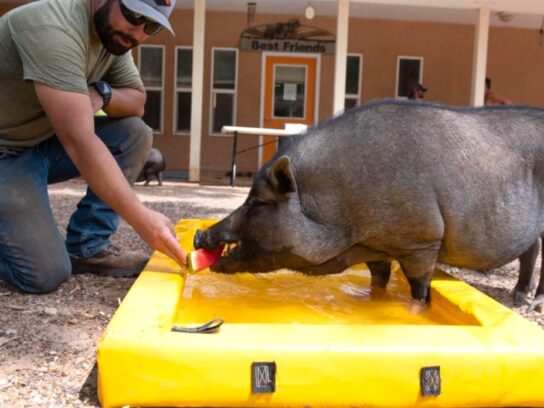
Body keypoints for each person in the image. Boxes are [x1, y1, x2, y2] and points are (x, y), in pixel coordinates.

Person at [0, 0, 187, 294]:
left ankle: (87, 247)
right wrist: (142, 219)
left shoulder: (113, 37)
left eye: (151, 25)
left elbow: (137, 102)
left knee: (134, 133)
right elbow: (79, 141)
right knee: (44, 274)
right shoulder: (53, 27)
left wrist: (102, 93)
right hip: (5, 153)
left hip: (37, 144)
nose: (137, 31)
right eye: (134, 14)